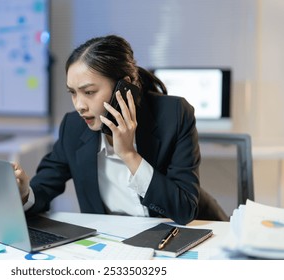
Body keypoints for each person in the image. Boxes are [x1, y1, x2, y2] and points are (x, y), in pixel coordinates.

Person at [13, 35, 228, 225]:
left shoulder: (174, 115)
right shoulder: (73, 126)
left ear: (123, 87)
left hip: (185, 234)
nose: (79, 105)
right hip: (113, 245)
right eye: (73, 93)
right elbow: (44, 187)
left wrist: (128, 154)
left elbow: (184, 210)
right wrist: (24, 194)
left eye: (89, 92)